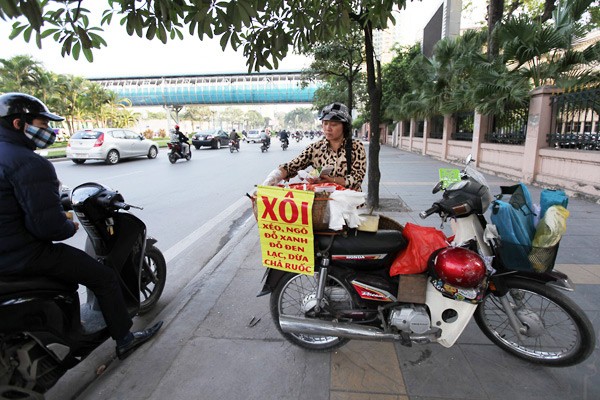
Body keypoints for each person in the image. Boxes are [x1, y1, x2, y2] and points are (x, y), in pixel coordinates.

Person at [0, 93, 162, 360]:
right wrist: (67, 225)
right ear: (19, 124)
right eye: (42, 125)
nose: (49, 131)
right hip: (23, 256)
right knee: (104, 277)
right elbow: (47, 228)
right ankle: (125, 339)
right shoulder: (30, 162)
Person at [262, 102, 367, 191]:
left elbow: (356, 179)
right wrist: (271, 179)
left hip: (350, 206)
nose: (328, 128)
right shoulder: (315, 148)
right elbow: (291, 166)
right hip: (323, 205)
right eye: (325, 123)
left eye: (333, 124)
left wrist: (331, 180)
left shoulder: (356, 147)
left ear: (345, 126)